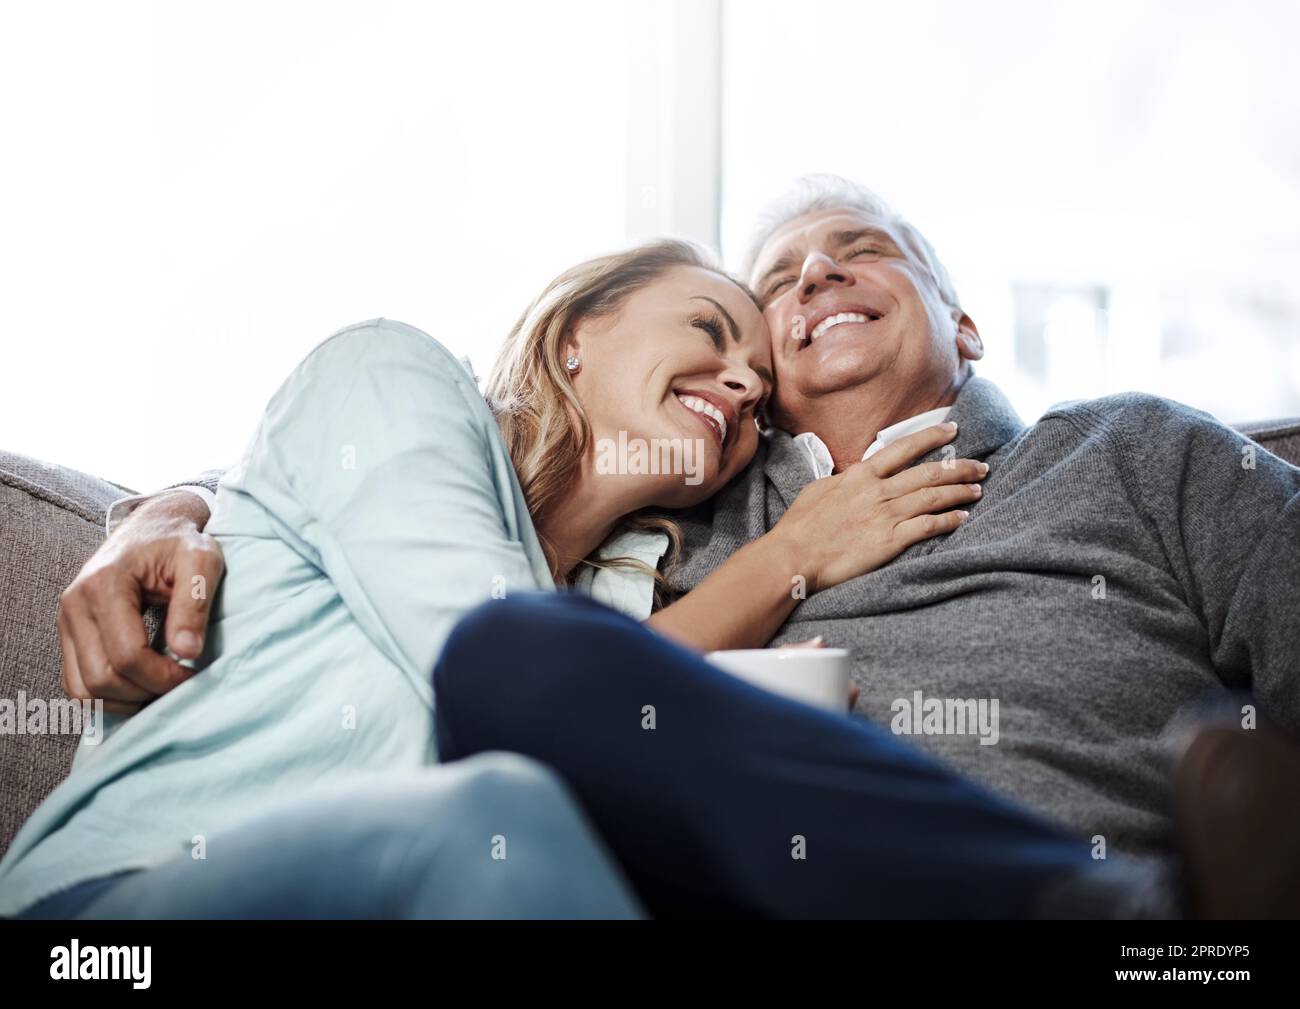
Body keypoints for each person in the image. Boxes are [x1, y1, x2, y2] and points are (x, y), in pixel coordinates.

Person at [1, 240, 990, 919]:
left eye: (759, 391)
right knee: (495, 815)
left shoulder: (622, 604)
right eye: (708, 330)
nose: (741, 381)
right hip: (104, 920)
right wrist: (788, 559)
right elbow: (505, 674)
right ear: (577, 330)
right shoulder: (393, 379)